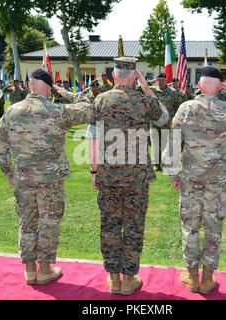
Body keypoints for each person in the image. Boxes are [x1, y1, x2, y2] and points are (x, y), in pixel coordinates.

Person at [162, 66, 226, 295]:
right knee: (213, 227)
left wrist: (172, 174)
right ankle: (207, 278)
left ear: (199, 85)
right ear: (219, 86)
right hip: (217, 180)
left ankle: (191, 277)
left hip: (191, 178)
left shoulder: (186, 108)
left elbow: (172, 144)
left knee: (190, 227)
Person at [0, 69, 92, 286]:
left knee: (27, 223)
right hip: (50, 180)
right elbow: (88, 108)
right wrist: (67, 93)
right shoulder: (56, 110)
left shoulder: (11, 111)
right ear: (48, 87)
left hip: (23, 179)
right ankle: (45, 269)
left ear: (30, 86)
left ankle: (30, 270)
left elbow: (0, 148)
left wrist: (8, 172)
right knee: (48, 222)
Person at [87, 57, 169, 295]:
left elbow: (92, 138)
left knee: (110, 224)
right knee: (133, 225)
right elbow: (164, 118)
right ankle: (129, 277)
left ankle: (114, 278)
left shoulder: (100, 99)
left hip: (108, 175)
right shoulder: (144, 100)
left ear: (114, 76)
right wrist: (147, 90)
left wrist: (94, 170)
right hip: (137, 178)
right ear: (135, 76)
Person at [146, 73, 182, 171]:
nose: (160, 82)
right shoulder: (152, 90)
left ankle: (164, 163)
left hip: (167, 123)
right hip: (154, 122)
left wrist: (175, 120)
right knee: (154, 144)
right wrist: (151, 81)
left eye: (162, 80)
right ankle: (156, 165)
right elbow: (138, 88)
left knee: (165, 144)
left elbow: (178, 107)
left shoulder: (173, 92)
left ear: (166, 81)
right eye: (159, 80)